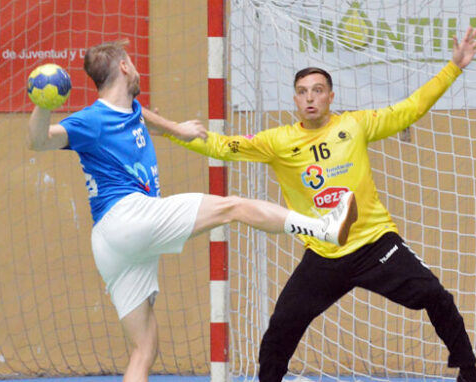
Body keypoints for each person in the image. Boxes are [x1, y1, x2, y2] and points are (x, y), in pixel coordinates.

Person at [26, 39, 357, 382]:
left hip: (111, 244)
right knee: (234, 206)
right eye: (133, 63)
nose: (137, 69)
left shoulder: (129, 109)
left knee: (144, 349)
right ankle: (324, 229)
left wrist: (178, 130)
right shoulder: (91, 119)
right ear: (124, 67)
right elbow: (39, 141)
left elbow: (141, 117)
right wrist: (43, 104)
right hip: (130, 215)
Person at [168, 27, 476, 382]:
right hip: (324, 254)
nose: (310, 98)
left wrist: (454, 67)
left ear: (331, 96)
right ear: (295, 100)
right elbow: (223, 147)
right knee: (282, 326)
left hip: (375, 244)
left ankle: (468, 372)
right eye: (302, 92)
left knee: (435, 294)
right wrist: (173, 132)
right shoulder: (278, 142)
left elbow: (410, 109)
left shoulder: (356, 125)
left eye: (317, 90)